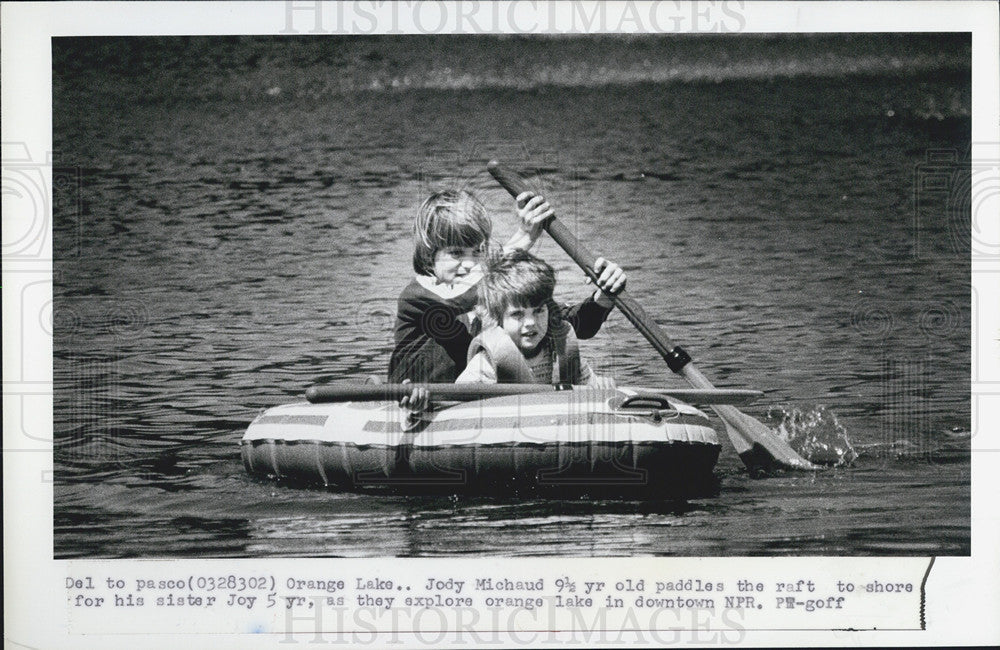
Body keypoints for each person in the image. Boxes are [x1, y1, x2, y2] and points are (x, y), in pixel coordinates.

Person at [389, 188, 626, 391]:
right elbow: (460, 297)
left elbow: (569, 324)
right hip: (411, 402)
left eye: (478, 252)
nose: (470, 263)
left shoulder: (488, 292)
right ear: (430, 259)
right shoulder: (417, 296)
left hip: (468, 405)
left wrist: (605, 294)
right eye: (456, 253)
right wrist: (524, 237)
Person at [455, 250, 621, 387]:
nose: (531, 322)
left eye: (539, 311)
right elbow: (456, 401)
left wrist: (602, 386)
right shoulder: (486, 364)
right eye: (517, 314)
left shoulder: (558, 349)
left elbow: (588, 384)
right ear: (499, 320)